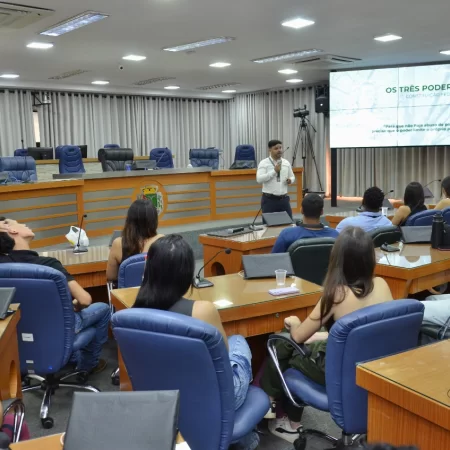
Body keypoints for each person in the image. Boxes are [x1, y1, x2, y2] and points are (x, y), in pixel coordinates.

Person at [261, 226, 393, 443]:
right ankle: (275, 405)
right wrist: (322, 336)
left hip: (338, 371)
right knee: (310, 339)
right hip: (373, 367)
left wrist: (294, 322)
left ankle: (277, 410)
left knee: (284, 344)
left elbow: (298, 337)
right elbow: (362, 332)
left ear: (337, 260)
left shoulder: (336, 295)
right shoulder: (382, 285)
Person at [134, 235, 259, 450]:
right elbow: (223, 358)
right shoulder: (202, 311)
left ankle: (243, 436)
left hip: (162, 401)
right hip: (211, 401)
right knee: (238, 341)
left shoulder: (133, 314)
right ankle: (248, 435)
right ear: (187, 273)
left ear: (149, 270)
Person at [0, 218, 110, 374]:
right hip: (59, 327)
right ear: (12, 230)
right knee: (103, 308)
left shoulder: (3, 267)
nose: (24, 224)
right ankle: (87, 365)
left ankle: (68, 357)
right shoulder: (48, 265)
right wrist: (76, 305)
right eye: (18, 223)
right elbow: (85, 300)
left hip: (16, 330)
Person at [106, 199, 163, 282]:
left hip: (128, 290)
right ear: (154, 221)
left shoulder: (118, 243)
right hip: (154, 289)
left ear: (129, 220)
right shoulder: (161, 240)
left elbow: (111, 276)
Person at [272, 194, 338, 253]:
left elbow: (275, 259)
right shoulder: (335, 235)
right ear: (322, 212)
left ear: (301, 210)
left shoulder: (286, 234)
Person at [256, 140, 295, 220]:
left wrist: (290, 180)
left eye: (280, 148)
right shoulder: (264, 163)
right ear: (270, 150)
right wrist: (274, 171)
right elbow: (259, 179)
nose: (279, 150)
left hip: (284, 200)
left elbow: (292, 176)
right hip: (269, 200)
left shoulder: (286, 162)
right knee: (269, 225)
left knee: (288, 223)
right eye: (276, 148)